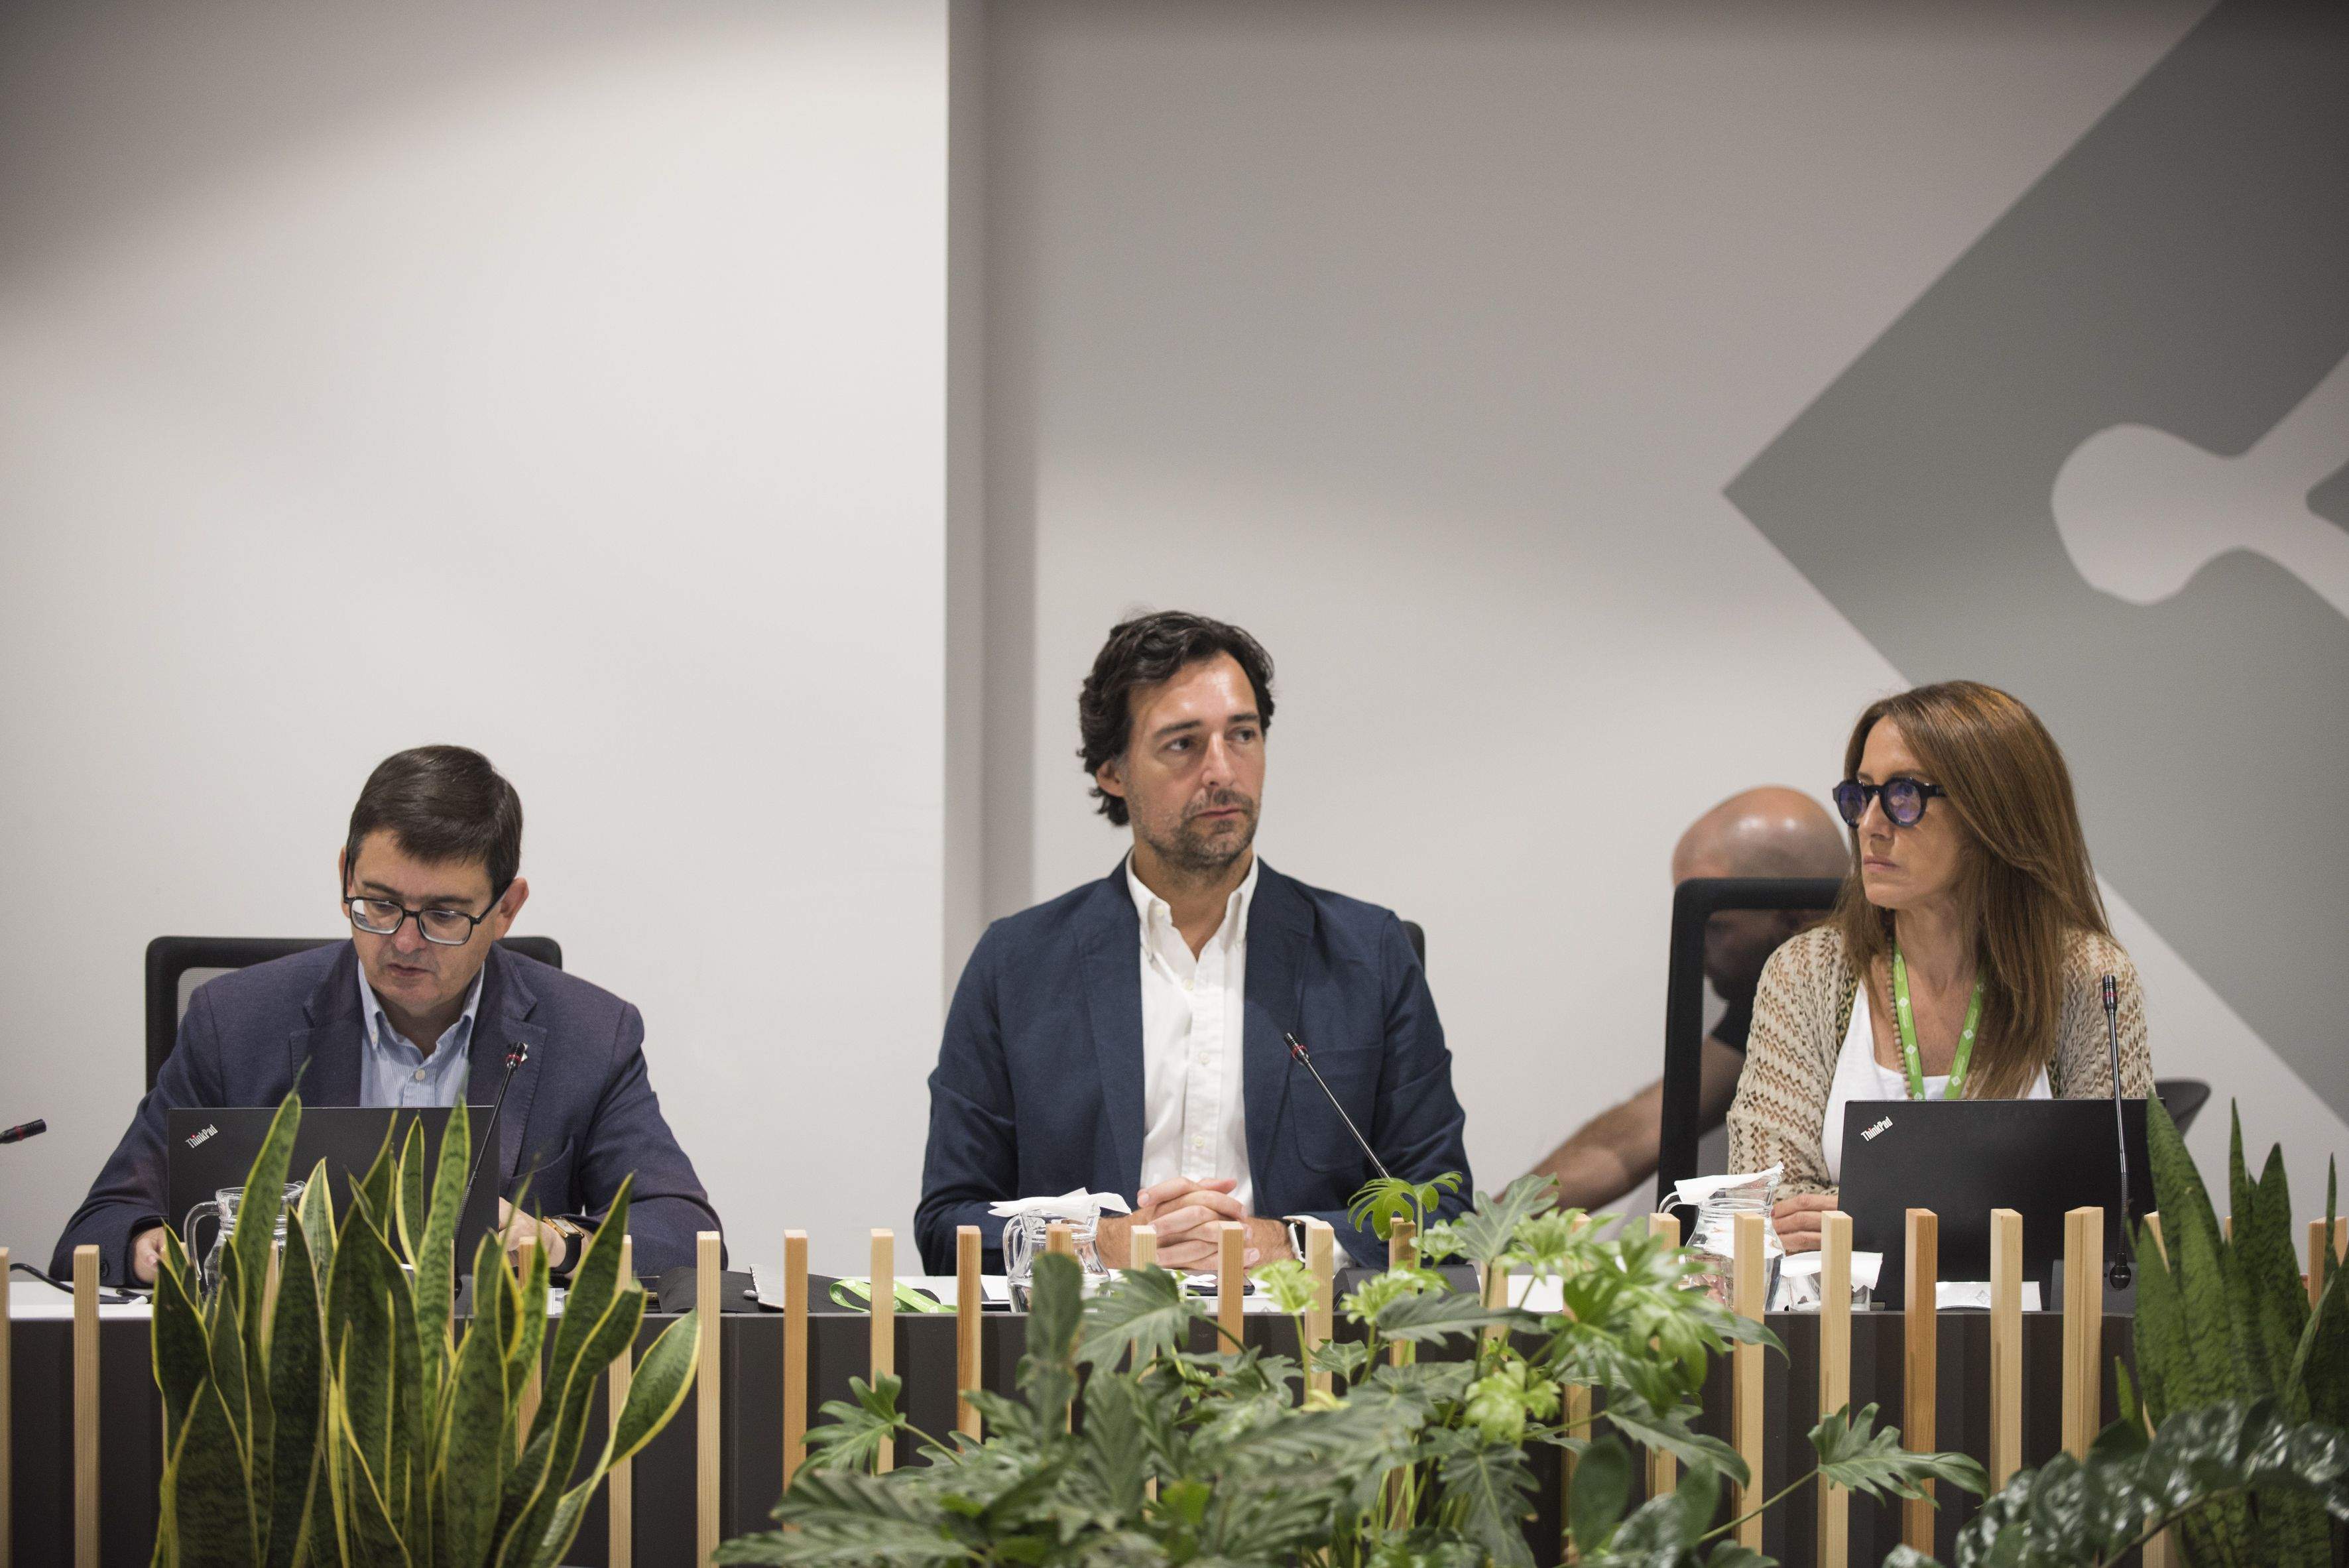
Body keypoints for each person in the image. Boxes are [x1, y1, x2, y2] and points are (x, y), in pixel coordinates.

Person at [916, 611, 1471, 1274]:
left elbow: (1446, 1211)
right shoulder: (1016, 965)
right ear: (1113, 772)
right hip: (1086, 1355)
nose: (1222, 771)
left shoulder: (1368, 954)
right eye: (1183, 744)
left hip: (1308, 1356)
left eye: (1243, 734)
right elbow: (946, 1225)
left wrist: (1283, 1243)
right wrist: (1103, 1246)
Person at [54, 745, 720, 1286]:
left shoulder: (591, 1036)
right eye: (377, 903)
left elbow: (687, 1235)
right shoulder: (233, 1023)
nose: (403, 942)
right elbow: (101, 1226)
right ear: (345, 872)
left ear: (508, 908)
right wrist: (157, 1250)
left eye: (443, 915)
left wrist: (553, 1241)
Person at [1726, 682, 2153, 1252]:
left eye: (1903, 796)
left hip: (2033, 1331)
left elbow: (2110, 1212)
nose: (1869, 824)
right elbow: (1767, 1204)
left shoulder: (2088, 976)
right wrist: (1978, 1222)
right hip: (1840, 1322)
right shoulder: (1805, 972)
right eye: (1860, 795)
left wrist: (1866, 1220)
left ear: (1992, 814)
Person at [1527, 788, 1848, 1211]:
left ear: (1796, 923)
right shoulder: (1773, 1006)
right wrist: (1468, 1236)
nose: (1696, 955)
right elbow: (1633, 1138)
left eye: (1715, 927)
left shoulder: (1891, 994)